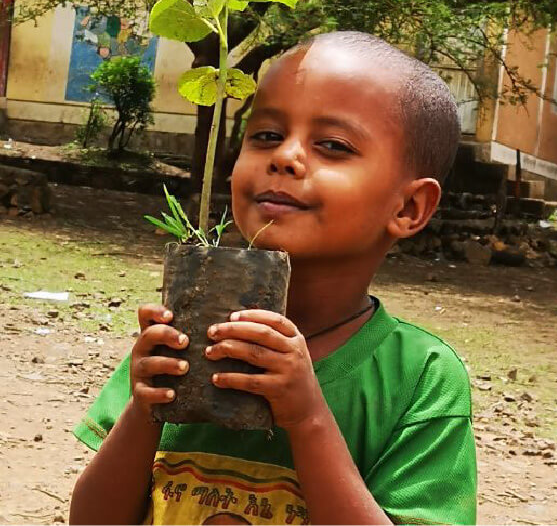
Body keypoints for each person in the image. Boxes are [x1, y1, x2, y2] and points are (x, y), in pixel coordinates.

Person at [69, 31, 477, 525]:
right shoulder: (182, 336)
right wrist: (144, 410)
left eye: (332, 145)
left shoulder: (420, 378)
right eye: (265, 135)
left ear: (409, 207)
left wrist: (307, 419)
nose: (284, 157)